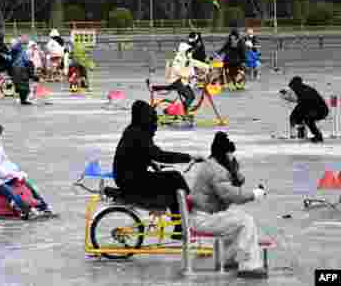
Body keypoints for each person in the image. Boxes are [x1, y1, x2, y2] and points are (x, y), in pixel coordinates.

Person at [188, 132, 268, 279]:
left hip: (205, 215)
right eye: (230, 153)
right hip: (204, 219)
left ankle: (231, 259)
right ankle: (248, 266)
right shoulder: (216, 170)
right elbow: (231, 194)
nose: (232, 157)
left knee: (242, 220)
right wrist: (254, 194)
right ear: (223, 153)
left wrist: (234, 170)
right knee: (246, 222)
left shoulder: (213, 165)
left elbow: (236, 182)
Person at [113, 100, 199, 236]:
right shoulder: (139, 134)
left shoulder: (133, 130)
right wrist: (188, 157)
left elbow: (138, 155)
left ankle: (180, 226)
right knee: (175, 178)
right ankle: (189, 219)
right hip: (132, 181)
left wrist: (154, 164)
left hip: (128, 177)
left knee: (172, 180)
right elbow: (158, 154)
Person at [0, 114, 52, 219]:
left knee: (25, 183)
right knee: (7, 190)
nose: (0, 137)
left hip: (2, 176)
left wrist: (16, 172)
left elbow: (5, 161)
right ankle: (23, 209)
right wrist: (8, 174)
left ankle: (42, 206)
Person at [149, 42, 198, 112]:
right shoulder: (178, 59)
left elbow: (191, 65)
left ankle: (154, 87)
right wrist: (190, 76)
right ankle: (182, 110)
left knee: (189, 96)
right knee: (190, 97)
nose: (189, 52)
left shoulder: (184, 57)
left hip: (180, 80)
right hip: (177, 80)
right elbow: (178, 71)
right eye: (188, 51)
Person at [288, 76, 329, 143]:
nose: (293, 90)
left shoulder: (306, 91)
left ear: (297, 86)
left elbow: (305, 104)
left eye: (293, 88)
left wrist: (294, 116)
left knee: (308, 119)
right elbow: (299, 107)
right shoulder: (301, 90)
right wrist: (293, 117)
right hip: (313, 109)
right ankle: (301, 134)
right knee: (299, 115)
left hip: (321, 110)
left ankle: (318, 136)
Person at [8, 36, 36, 105]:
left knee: (21, 86)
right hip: (20, 69)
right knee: (23, 85)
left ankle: (23, 99)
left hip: (15, 69)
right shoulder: (19, 50)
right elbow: (26, 60)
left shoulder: (14, 51)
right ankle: (23, 100)